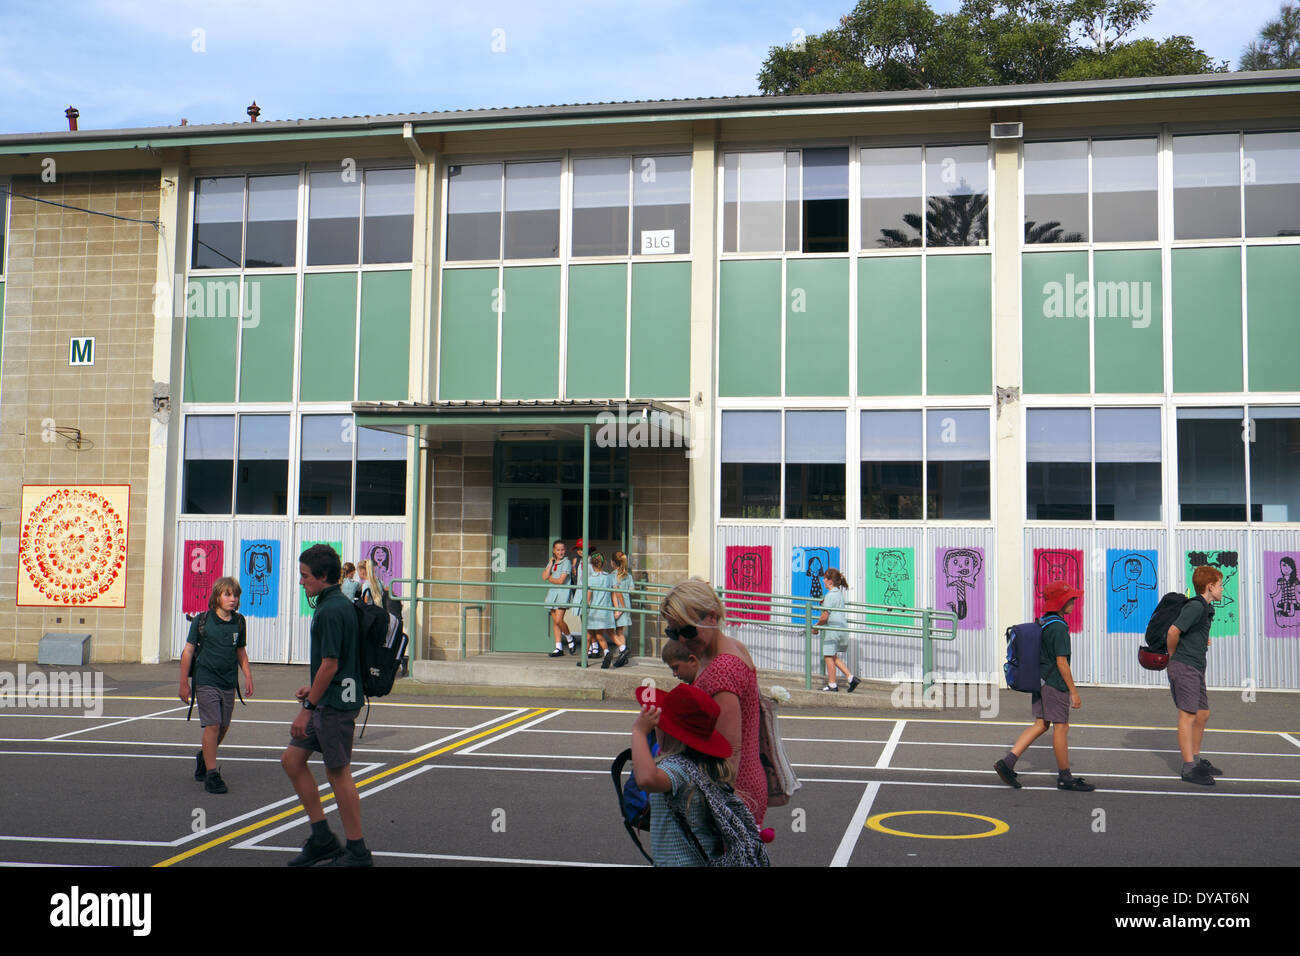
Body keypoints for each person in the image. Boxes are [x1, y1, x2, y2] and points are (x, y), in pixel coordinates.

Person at [280, 544, 371, 866]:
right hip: (329, 697)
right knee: (292, 760)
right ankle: (322, 838)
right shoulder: (333, 604)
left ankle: (357, 851)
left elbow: (331, 664)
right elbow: (332, 664)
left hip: (334, 706)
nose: (301, 582)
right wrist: (314, 688)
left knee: (338, 773)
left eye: (305, 576)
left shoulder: (332, 610)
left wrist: (308, 708)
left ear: (322, 577)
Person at [660, 577, 766, 825]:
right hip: (743, 784)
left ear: (712, 616)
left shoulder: (723, 668)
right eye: (673, 632)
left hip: (733, 790)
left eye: (687, 630)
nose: (681, 641)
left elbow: (730, 752)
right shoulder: (730, 647)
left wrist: (722, 811)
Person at [994, 579, 1095, 792]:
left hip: (1040, 682)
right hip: (1054, 684)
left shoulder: (1045, 622)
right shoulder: (1059, 628)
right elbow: (1061, 662)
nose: (1074, 601)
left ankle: (1008, 762)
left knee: (1041, 724)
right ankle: (1065, 777)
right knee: (1061, 727)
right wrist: (1074, 692)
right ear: (1060, 602)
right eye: (1070, 599)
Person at [631, 683, 736, 867]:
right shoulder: (706, 764)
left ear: (668, 731)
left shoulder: (678, 767)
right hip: (706, 858)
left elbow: (646, 779)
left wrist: (639, 732)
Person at [178, 576, 253, 794]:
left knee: (223, 726)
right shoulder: (202, 620)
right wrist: (184, 683)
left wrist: (248, 675)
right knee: (212, 725)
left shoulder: (239, 622)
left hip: (228, 681)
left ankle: (204, 755)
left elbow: (241, 652)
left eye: (235, 595)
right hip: (206, 680)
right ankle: (212, 775)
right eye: (227, 594)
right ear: (217, 596)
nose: (232, 599)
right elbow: (188, 651)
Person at [1167, 565, 1224, 786]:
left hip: (1196, 667)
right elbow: (1173, 631)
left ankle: (1196, 760)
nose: (1222, 589)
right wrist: (1173, 656)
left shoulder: (1205, 608)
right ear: (1210, 586)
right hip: (1185, 666)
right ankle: (1189, 768)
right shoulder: (1196, 606)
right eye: (1220, 585)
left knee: (1202, 713)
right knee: (1188, 715)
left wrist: (1202, 639)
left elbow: (1192, 632)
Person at [811, 567, 860, 693]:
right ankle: (851, 678)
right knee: (833, 656)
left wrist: (815, 627)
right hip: (841, 628)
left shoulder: (830, 596)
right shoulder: (838, 593)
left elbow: (825, 616)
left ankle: (832, 685)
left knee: (828, 656)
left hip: (833, 629)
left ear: (830, 581)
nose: (823, 580)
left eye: (825, 578)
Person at [586, 552, 628, 668]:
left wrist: (585, 606)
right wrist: (622, 607)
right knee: (611, 632)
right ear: (604, 564)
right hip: (608, 610)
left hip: (596, 611)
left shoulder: (591, 579)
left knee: (597, 634)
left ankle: (606, 652)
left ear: (592, 565)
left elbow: (588, 598)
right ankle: (623, 648)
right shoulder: (610, 577)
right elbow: (617, 592)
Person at [543, 540, 576, 657]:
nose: (560, 552)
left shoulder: (566, 562)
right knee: (555, 623)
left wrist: (550, 579)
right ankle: (558, 647)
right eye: (558, 550)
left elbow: (561, 581)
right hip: (552, 594)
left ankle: (569, 638)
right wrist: (550, 564)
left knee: (558, 620)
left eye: (562, 550)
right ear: (554, 550)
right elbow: (544, 576)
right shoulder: (552, 561)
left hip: (563, 594)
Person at [612, 550, 635, 657]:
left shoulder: (613, 575)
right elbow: (632, 590)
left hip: (618, 606)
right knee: (620, 631)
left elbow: (615, 592)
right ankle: (622, 651)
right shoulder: (628, 575)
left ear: (613, 562)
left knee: (618, 631)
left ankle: (623, 651)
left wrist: (618, 609)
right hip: (626, 604)